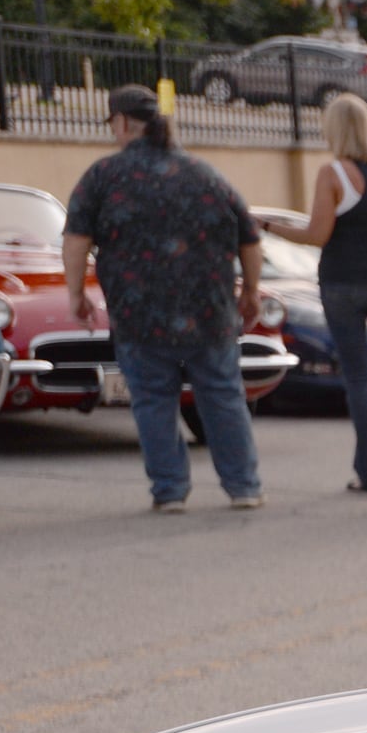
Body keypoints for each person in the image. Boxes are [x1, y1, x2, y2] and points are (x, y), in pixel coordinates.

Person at [62, 83, 264, 514]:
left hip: (139, 314)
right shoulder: (205, 173)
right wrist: (250, 290)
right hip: (209, 312)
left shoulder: (103, 177)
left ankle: (170, 490)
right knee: (223, 395)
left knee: (154, 399)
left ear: (121, 123)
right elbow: (249, 236)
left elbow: (76, 239)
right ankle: (244, 486)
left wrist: (76, 293)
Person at [264, 92, 367, 495]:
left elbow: (317, 234)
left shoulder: (332, 173)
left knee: (358, 378)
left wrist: (270, 227)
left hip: (341, 283)